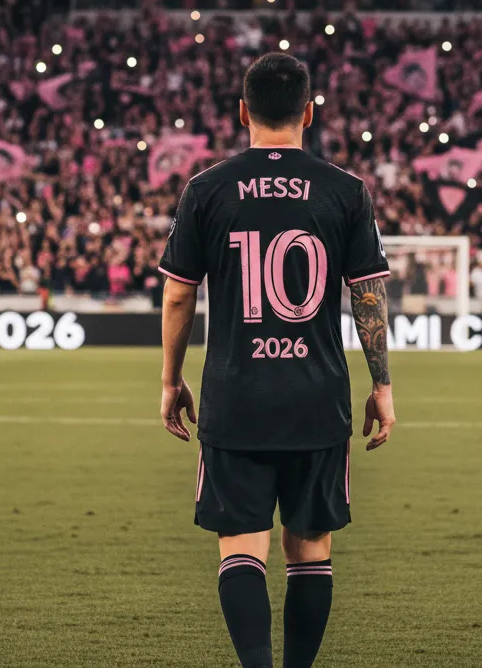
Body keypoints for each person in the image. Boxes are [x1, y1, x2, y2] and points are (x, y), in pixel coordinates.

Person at [158, 52, 396, 668]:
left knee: (241, 546)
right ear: (310, 113)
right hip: (316, 398)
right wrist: (383, 387)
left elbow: (180, 291)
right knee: (310, 549)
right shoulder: (347, 190)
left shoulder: (205, 189)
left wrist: (169, 381)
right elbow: (367, 292)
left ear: (243, 112)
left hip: (237, 396)